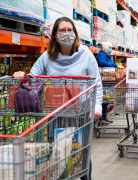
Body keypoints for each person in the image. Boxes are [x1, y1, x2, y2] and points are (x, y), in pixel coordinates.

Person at [28, 17, 102, 180]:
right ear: (55, 35)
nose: (67, 33)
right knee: (58, 155)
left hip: (81, 115)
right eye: (62, 30)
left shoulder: (86, 54)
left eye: (70, 30)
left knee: (82, 153)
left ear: (75, 33)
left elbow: (97, 83)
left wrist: (97, 108)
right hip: (56, 115)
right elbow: (33, 76)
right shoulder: (48, 56)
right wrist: (22, 76)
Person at [95, 42, 117, 125]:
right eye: (110, 47)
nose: (111, 49)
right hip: (103, 81)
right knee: (104, 100)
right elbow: (101, 63)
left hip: (107, 81)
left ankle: (104, 117)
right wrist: (113, 65)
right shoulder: (101, 54)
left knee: (107, 99)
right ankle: (101, 118)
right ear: (105, 47)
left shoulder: (107, 55)